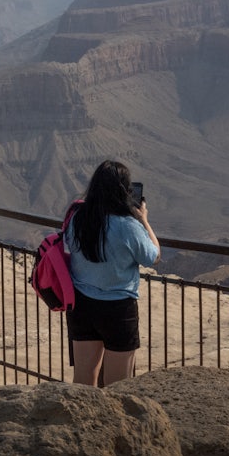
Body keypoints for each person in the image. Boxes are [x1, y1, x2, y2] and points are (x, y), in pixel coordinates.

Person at [64, 160, 160, 387]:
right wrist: (144, 221)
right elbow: (153, 256)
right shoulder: (128, 225)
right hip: (118, 309)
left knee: (83, 381)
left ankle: (81, 421)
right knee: (118, 385)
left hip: (81, 304)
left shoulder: (78, 218)